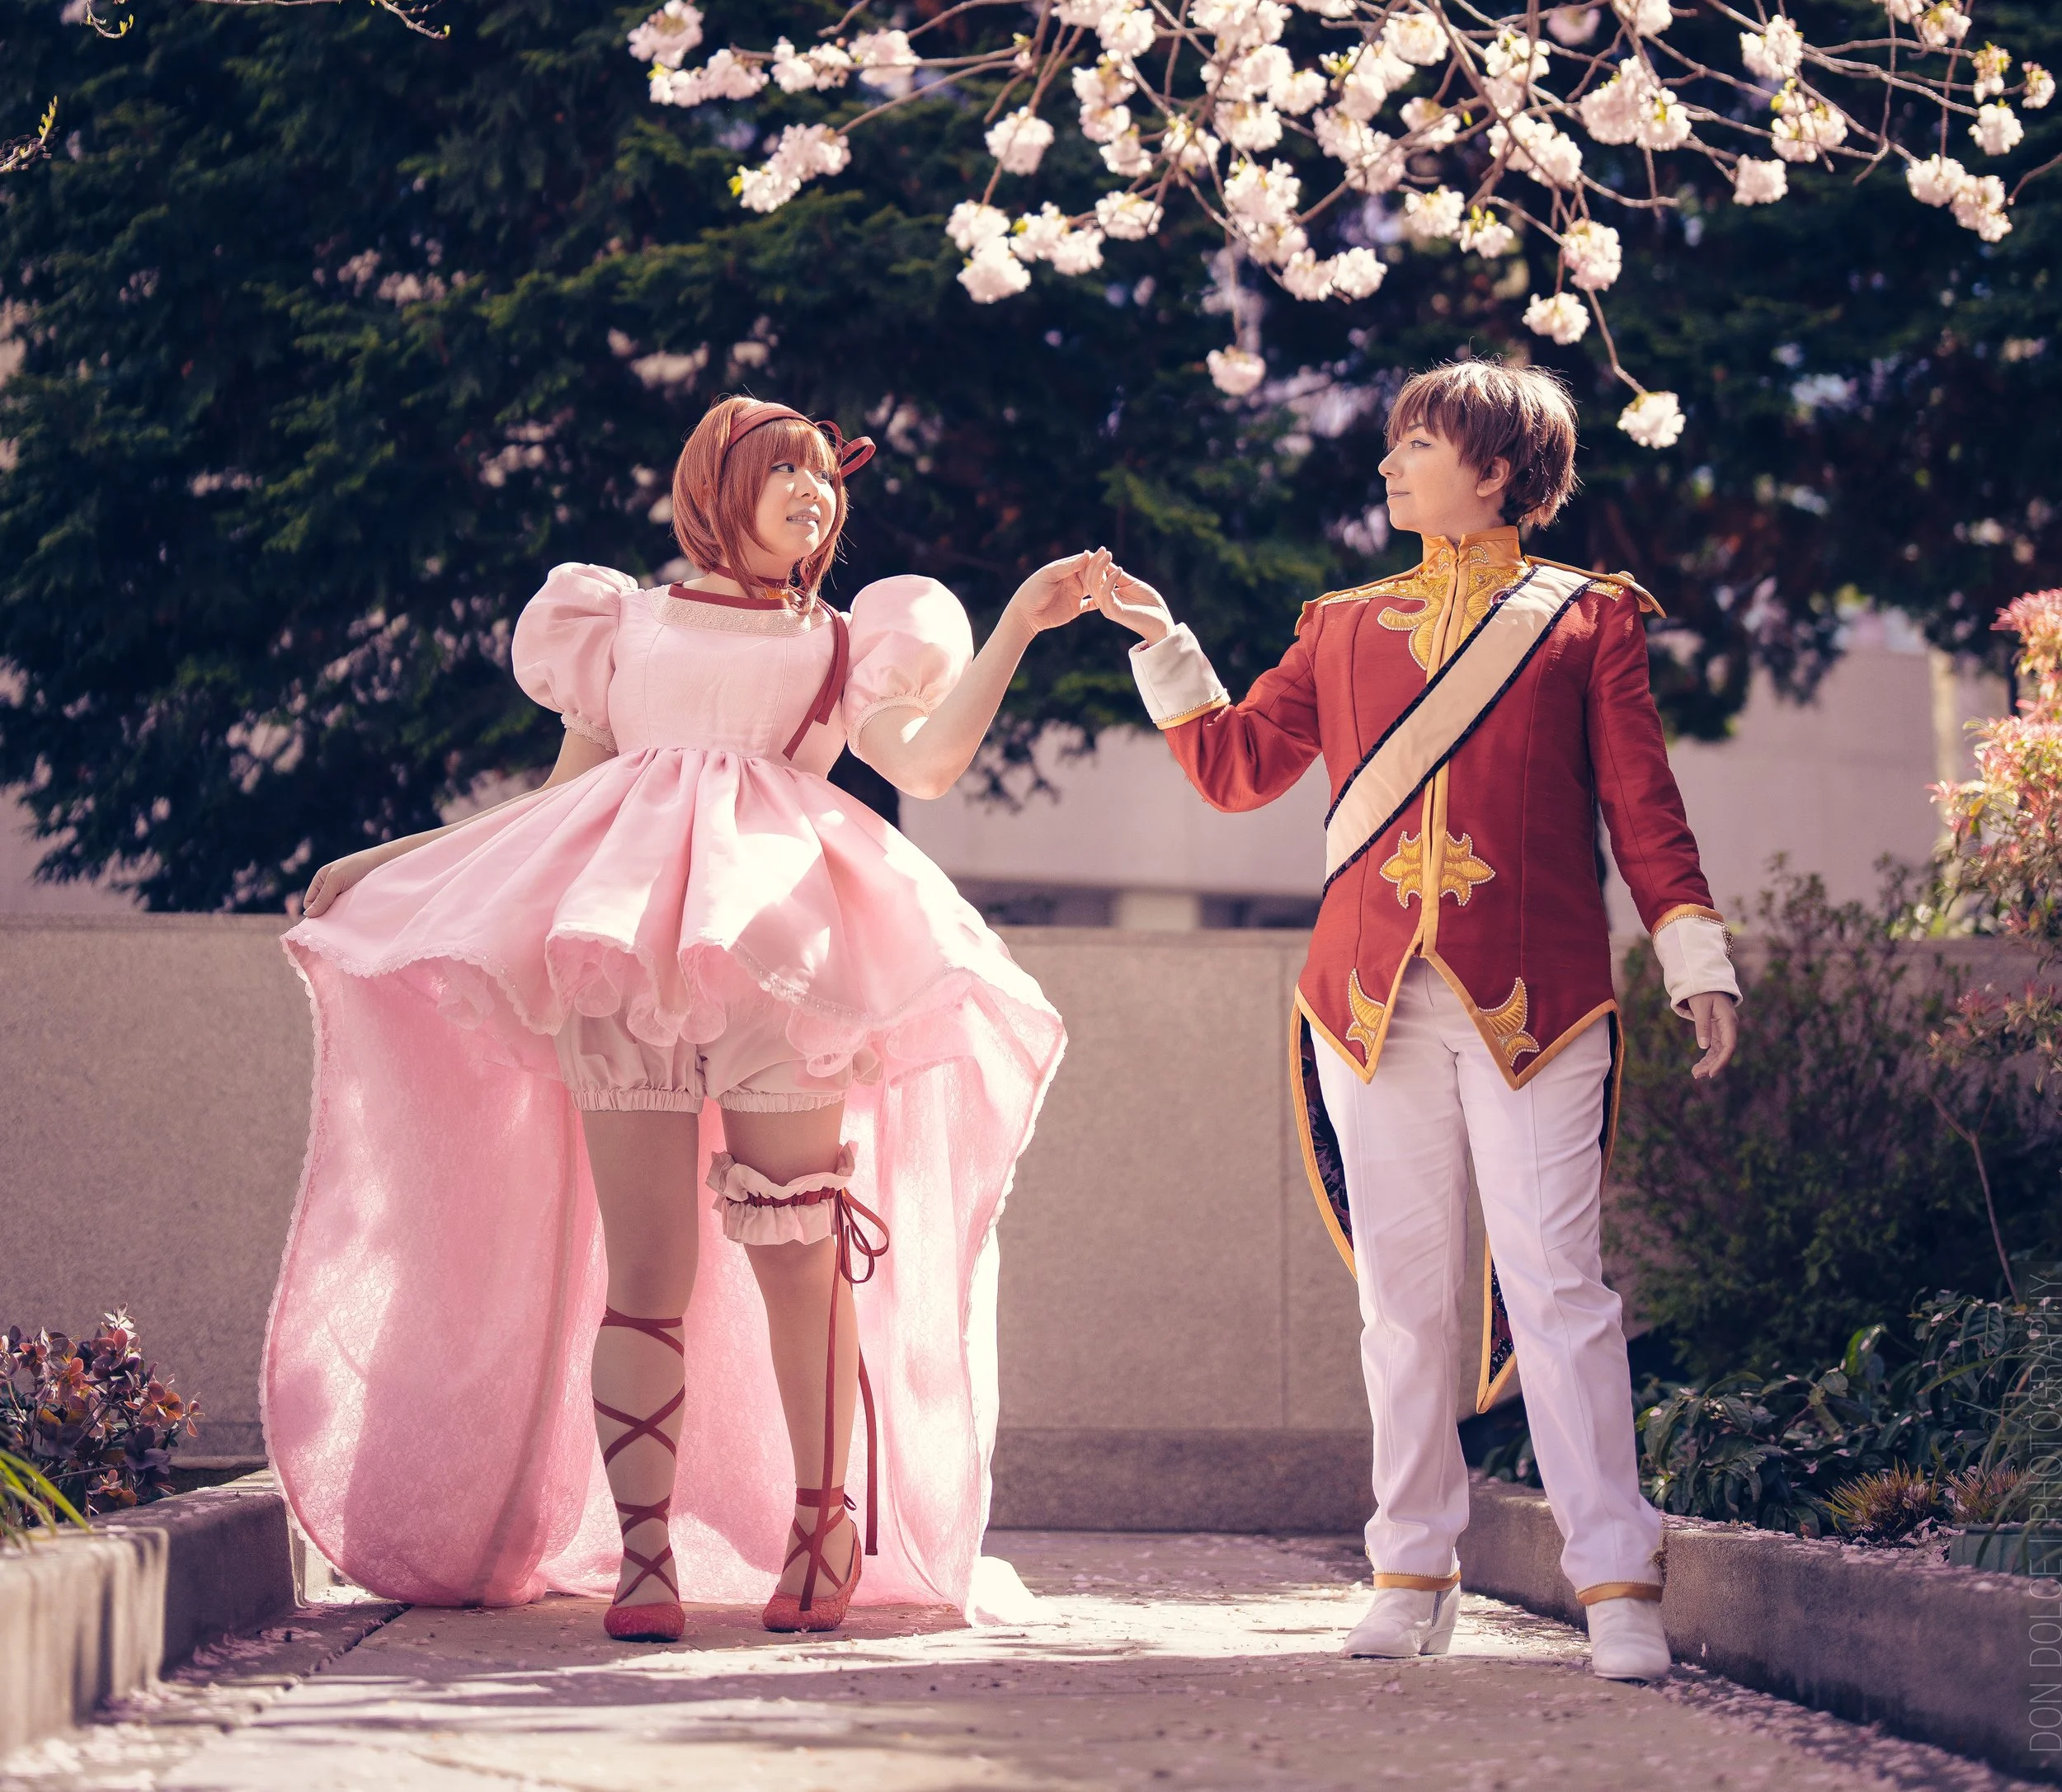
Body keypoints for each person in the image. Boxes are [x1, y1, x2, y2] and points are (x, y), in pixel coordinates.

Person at [269, 395, 1090, 1638]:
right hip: (623, 967)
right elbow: (558, 794)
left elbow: (925, 766)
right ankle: (642, 1557)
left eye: (825, 478)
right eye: (785, 472)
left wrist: (1019, 618)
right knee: (647, 1271)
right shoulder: (619, 625)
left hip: (783, 966)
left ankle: (823, 1527)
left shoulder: (846, 643)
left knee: (799, 1252)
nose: (814, 494)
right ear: (715, 488)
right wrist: (395, 860)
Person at [1090, 358, 1740, 1681]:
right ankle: (1412, 1568)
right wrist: (1163, 641)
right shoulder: (1339, 627)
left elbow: (1643, 806)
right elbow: (1234, 770)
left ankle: (1616, 1582)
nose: (1388, 465)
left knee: (1559, 1291)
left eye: (1417, 445)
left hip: (1540, 1003)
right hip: (1367, 1002)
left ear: (1496, 471)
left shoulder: (1587, 621)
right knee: (1401, 1304)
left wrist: (1696, 959)